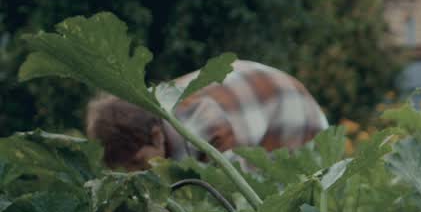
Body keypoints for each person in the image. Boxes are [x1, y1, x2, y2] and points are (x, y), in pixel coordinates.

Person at [85, 60, 329, 171]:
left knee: (286, 201)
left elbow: (234, 182)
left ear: (157, 136)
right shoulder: (137, 109)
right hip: (250, 99)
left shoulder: (198, 125)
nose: (134, 174)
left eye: (138, 162)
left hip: (289, 111)